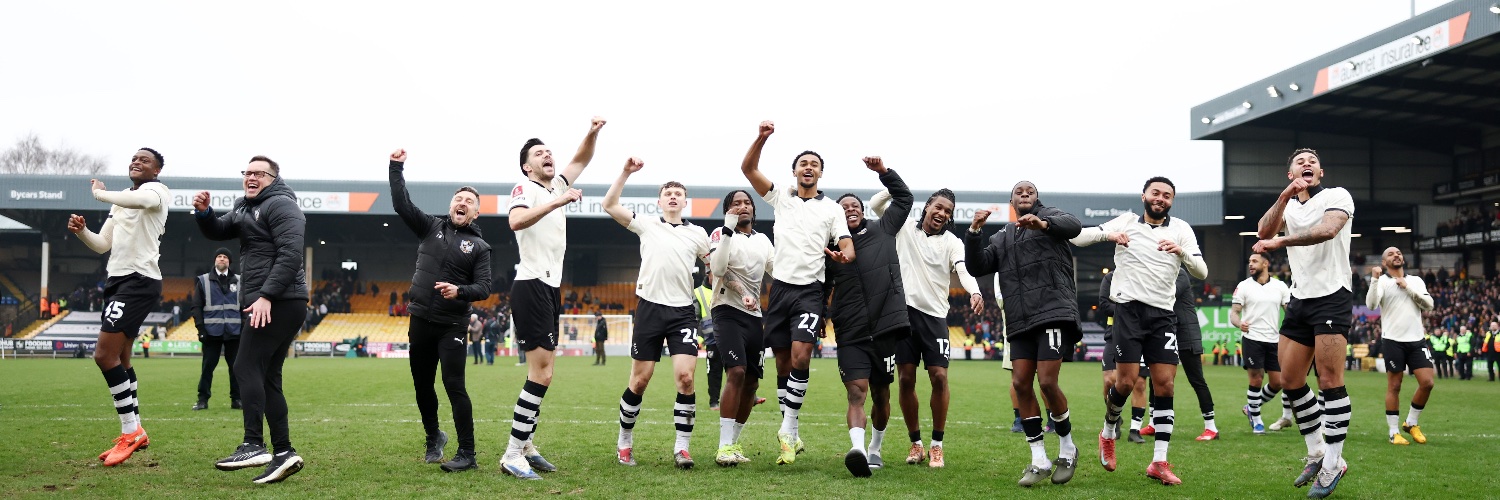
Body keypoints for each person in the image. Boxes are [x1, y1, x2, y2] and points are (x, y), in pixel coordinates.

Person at [1071, 176, 1208, 486]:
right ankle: (1108, 432)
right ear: (1144, 196)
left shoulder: (1181, 229)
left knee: (1166, 385)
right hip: (1129, 312)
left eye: (1167, 195)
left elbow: (1202, 271)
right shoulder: (1127, 221)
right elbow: (1078, 238)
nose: (1161, 198)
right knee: (1126, 382)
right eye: (1155, 193)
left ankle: (1159, 461)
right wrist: (1108, 234)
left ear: (1172, 201)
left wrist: (1181, 252)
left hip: (1163, 315)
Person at [739, 120, 855, 465]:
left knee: (801, 357)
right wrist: (761, 138)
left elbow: (847, 245)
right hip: (780, 290)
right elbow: (748, 169)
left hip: (810, 292)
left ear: (820, 174)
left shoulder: (832, 209)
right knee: (783, 364)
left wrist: (844, 255)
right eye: (803, 163)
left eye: (814, 164)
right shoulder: (781, 198)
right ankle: (791, 430)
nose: (809, 167)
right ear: (794, 171)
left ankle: (788, 429)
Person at [499, 117, 605, 480]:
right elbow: (515, 222)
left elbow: (581, 159)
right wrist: (559, 201)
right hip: (531, 284)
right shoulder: (524, 188)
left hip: (549, 287)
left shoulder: (557, 183)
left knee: (544, 372)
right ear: (527, 166)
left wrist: (592, 133)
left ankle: (526, 445)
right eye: (538, 153)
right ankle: (513, 452)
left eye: (549, 152)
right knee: (541, 373)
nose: (547, 155)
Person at [194, 155, 310, 484]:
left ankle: (254, 444)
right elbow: (219, 230)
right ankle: (284, 453)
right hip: (268, 300)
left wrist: (267, 295)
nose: (251, 177)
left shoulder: (282, 205)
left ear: (274, 179)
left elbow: (291, 254)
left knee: (244, 366)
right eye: (247, 172)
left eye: (259, 173)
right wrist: (204, 213)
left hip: (278, 300)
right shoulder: (244, 207)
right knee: (267, 377)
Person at [1251, 148, 1356, 497]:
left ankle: (1334, 463)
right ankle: (1316, 452)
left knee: (1329, 380)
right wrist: (1284, 197)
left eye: (1313, 161)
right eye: (1300, 161)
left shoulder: (1336, 196)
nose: (1307, 164)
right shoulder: (1290, 205)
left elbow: (1328, 230)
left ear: (1320, 172)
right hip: (1300, 299)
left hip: (1332, 295)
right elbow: (1263, 230)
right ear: (1291, 174)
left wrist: (1281, 240)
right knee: (1291, 380)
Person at [963, 180, 1082, 485]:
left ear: (1037, 198)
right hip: (1019, 320)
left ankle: (1068, 449)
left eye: (1030, 191)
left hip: (1052, 311)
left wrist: (1043, 224)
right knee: (1020, 384)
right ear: (1011, 202)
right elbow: (977, 266)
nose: (1025, 194)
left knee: (1047, 382)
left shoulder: (1051, 217)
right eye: (1019, 191)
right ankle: (1039, 460)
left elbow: (1074, 225)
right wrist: (974, 232)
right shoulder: (1002, 236)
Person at [388, 148, 494, 473]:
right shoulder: (429, 227)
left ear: (476, 212)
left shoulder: (480, 247)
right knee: (422, 385)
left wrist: (459, 291)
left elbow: (484, 288)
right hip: (420, 320)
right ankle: (434, 437)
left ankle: (468, 453)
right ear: (451, 206)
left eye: (469, 201)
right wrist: (396, 167)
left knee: (454, 385)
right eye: (458, 199)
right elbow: (402, 204)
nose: (462, 203)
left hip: (452, 325)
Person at [603, 157, 711, 469]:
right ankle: (624, 441)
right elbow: (610, 205)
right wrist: (625, 172)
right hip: (649, 308)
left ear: (686, 202)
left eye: (678, 194)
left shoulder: (698, 234)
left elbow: (715, 268)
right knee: (640, 381)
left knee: (686, 378)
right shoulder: (646, 224)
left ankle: (682, 449)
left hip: (683, 312)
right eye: (668, 193)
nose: (673, 197)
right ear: (659, 201)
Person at [67, 148, 169, 467]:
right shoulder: (121, 199)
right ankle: (137, 430)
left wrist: (99, 193)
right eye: (134, 158)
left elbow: (141, 201)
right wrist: (82, 232)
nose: (137, 162)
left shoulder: (157, 191)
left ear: (156, 171)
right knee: (121, 358)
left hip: (139, 280)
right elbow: (102, 245)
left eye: (145, 160)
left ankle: (130, 431)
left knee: (103, 355)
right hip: (117, 280)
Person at [870, 186, 983, 469]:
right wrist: (894, 186)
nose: (942, 213)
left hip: (934, 317)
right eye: (938, 207)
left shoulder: (952, 242)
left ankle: (937, 446)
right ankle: (916, 444)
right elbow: (875, 205)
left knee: (939, 377)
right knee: (906, 379)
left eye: (948, 211)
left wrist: (975, 291)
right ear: (927, 206)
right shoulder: (905, 228)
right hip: (903, 314)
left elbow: (963, 269)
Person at [820, 157, 911, 477]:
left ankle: (875, 448)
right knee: (856, 391)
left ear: (862, 210)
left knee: (881, 394)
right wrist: (821, 317)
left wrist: (884, 172)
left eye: (854, 205)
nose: (849, 209)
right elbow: (823, 287)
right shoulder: (830, 248)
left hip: (886, 327)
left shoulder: (884, 229)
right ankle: (858, 449)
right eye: (843, 207)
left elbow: (905, 198)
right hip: (851, 331)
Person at [707, 189, 775, 467]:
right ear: (728, 210)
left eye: (747, 203)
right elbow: (718, 268)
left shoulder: (763, 240)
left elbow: (777, 271)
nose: (743, 206)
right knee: (735, 371)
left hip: (754, 315)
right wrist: (728, 227)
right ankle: (723, 446)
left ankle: (733, 443)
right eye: (736, 204)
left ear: (754, 210)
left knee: (751, 383)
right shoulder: (720, 234)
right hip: (726, 310)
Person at [1365, 248, 1435, 446]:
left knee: (1427, 383)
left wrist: (1407, 288)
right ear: (1384, 262)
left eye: (1398, 252)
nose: (1396, 255)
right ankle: (1393, 432)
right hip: (1393, 340)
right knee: (1394, 386)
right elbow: (1371, 305)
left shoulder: (1415, 281)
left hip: (1417, 340)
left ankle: (1411, 422)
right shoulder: (1382, 282)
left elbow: (1429, 305)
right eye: (1390, 254)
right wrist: (1374, 279)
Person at [1230, 253, 1292, 435]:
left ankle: (1250, 407)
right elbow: (1234, 313)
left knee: (1278, 382)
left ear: (1266, 264)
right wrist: (1239, 323)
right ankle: (1257, 421)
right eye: (1249, 261)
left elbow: (1290, 311)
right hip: (1252, 338)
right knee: (1256, 379)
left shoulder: (1280, 286)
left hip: (1274, 340)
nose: (1250, 264)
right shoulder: (1243, 286)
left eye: (1254, 261)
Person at [192, 247, 242, 411]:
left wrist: (244, 329)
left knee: (236, 368)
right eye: (219, 256)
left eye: (225, 257)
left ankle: (237, 399)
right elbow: (196, 307)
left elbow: (245, 306)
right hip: (211, 333)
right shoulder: (203, 280)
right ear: (215, 260)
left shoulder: (240, 281)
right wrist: (201, 329)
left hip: (234, 332)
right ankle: (202, 399)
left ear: (229, 261)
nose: (222, 259)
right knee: (207, 367)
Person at [1172, 267, 1217, 441]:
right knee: (1157, 378)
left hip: (1186, 334)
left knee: (1196, 379)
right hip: (1167, 331)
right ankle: (1154, 422)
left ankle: (1211, 427)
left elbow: (1169, 293)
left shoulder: (1180, 274)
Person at [695, 278, 721, 410]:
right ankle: (714, 402)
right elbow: (694, 317)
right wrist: (698, 337)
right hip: (711, 339)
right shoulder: (698, 292)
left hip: (731, 336)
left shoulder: (728, 286)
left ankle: (743, 398)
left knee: (737, 370)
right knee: (714, 372)